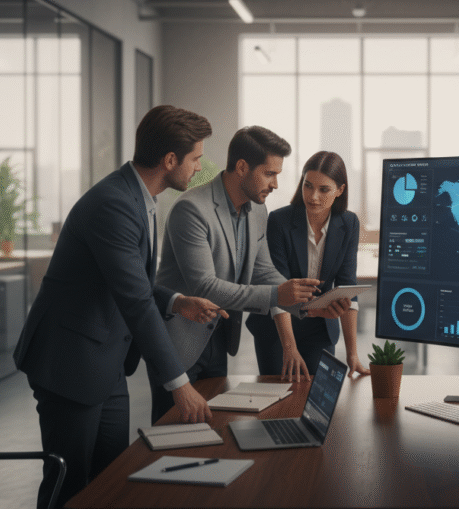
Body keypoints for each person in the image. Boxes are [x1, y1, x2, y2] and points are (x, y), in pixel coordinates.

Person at [13, 105, 227, 509]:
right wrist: (179, 384)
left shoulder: (140, 197)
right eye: (196, 158)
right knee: (70, 485)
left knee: (113, 478)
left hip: (106, 361)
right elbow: (135, 300)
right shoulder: (114, 203)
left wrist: (178, 301)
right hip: (69, 363)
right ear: (170, 160)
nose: (200, 168)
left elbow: (132, 281)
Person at [149, 126, 348, 423]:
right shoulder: (191, 209)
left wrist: (307, 304)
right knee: (172, 436)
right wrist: (277, 295)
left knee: (213, 432)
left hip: (218, 337)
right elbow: (205, 286)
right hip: (179, 345)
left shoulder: (257, 211)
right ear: (242, 167)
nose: (277, 184)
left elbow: (263, 270)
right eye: (270, 174)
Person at [257, 151, 370, 378]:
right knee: (279, 397)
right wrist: (289, 348)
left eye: (324, 189)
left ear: (340, 190)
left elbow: (347, 288)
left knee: (315, 397)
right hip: (278, 327)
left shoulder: (349, 223)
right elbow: (278, 288)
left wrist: (352, 355)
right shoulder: (279, 221)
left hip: (320, 327)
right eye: (307, 186)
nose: (313, 196)